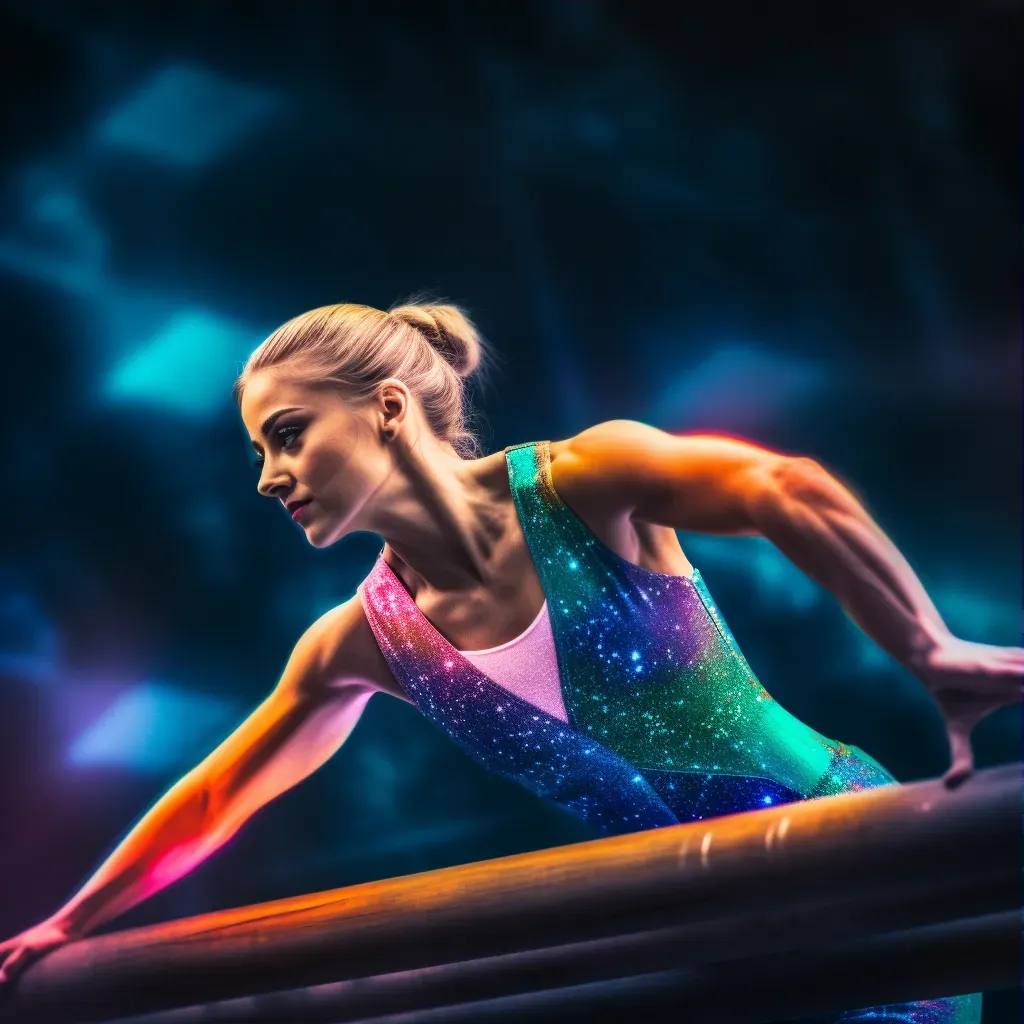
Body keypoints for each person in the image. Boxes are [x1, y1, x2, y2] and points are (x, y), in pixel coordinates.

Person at [1, 300, 1019, 1022]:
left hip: (853, 876)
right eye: (259, 453)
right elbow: (218, 794)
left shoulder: (584, 481)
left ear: (388, 409)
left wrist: (924, 646)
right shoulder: (363, 641)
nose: (268, 477)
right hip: (702, 945)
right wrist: (66, 921)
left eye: (287, 436)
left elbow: (780, 486)